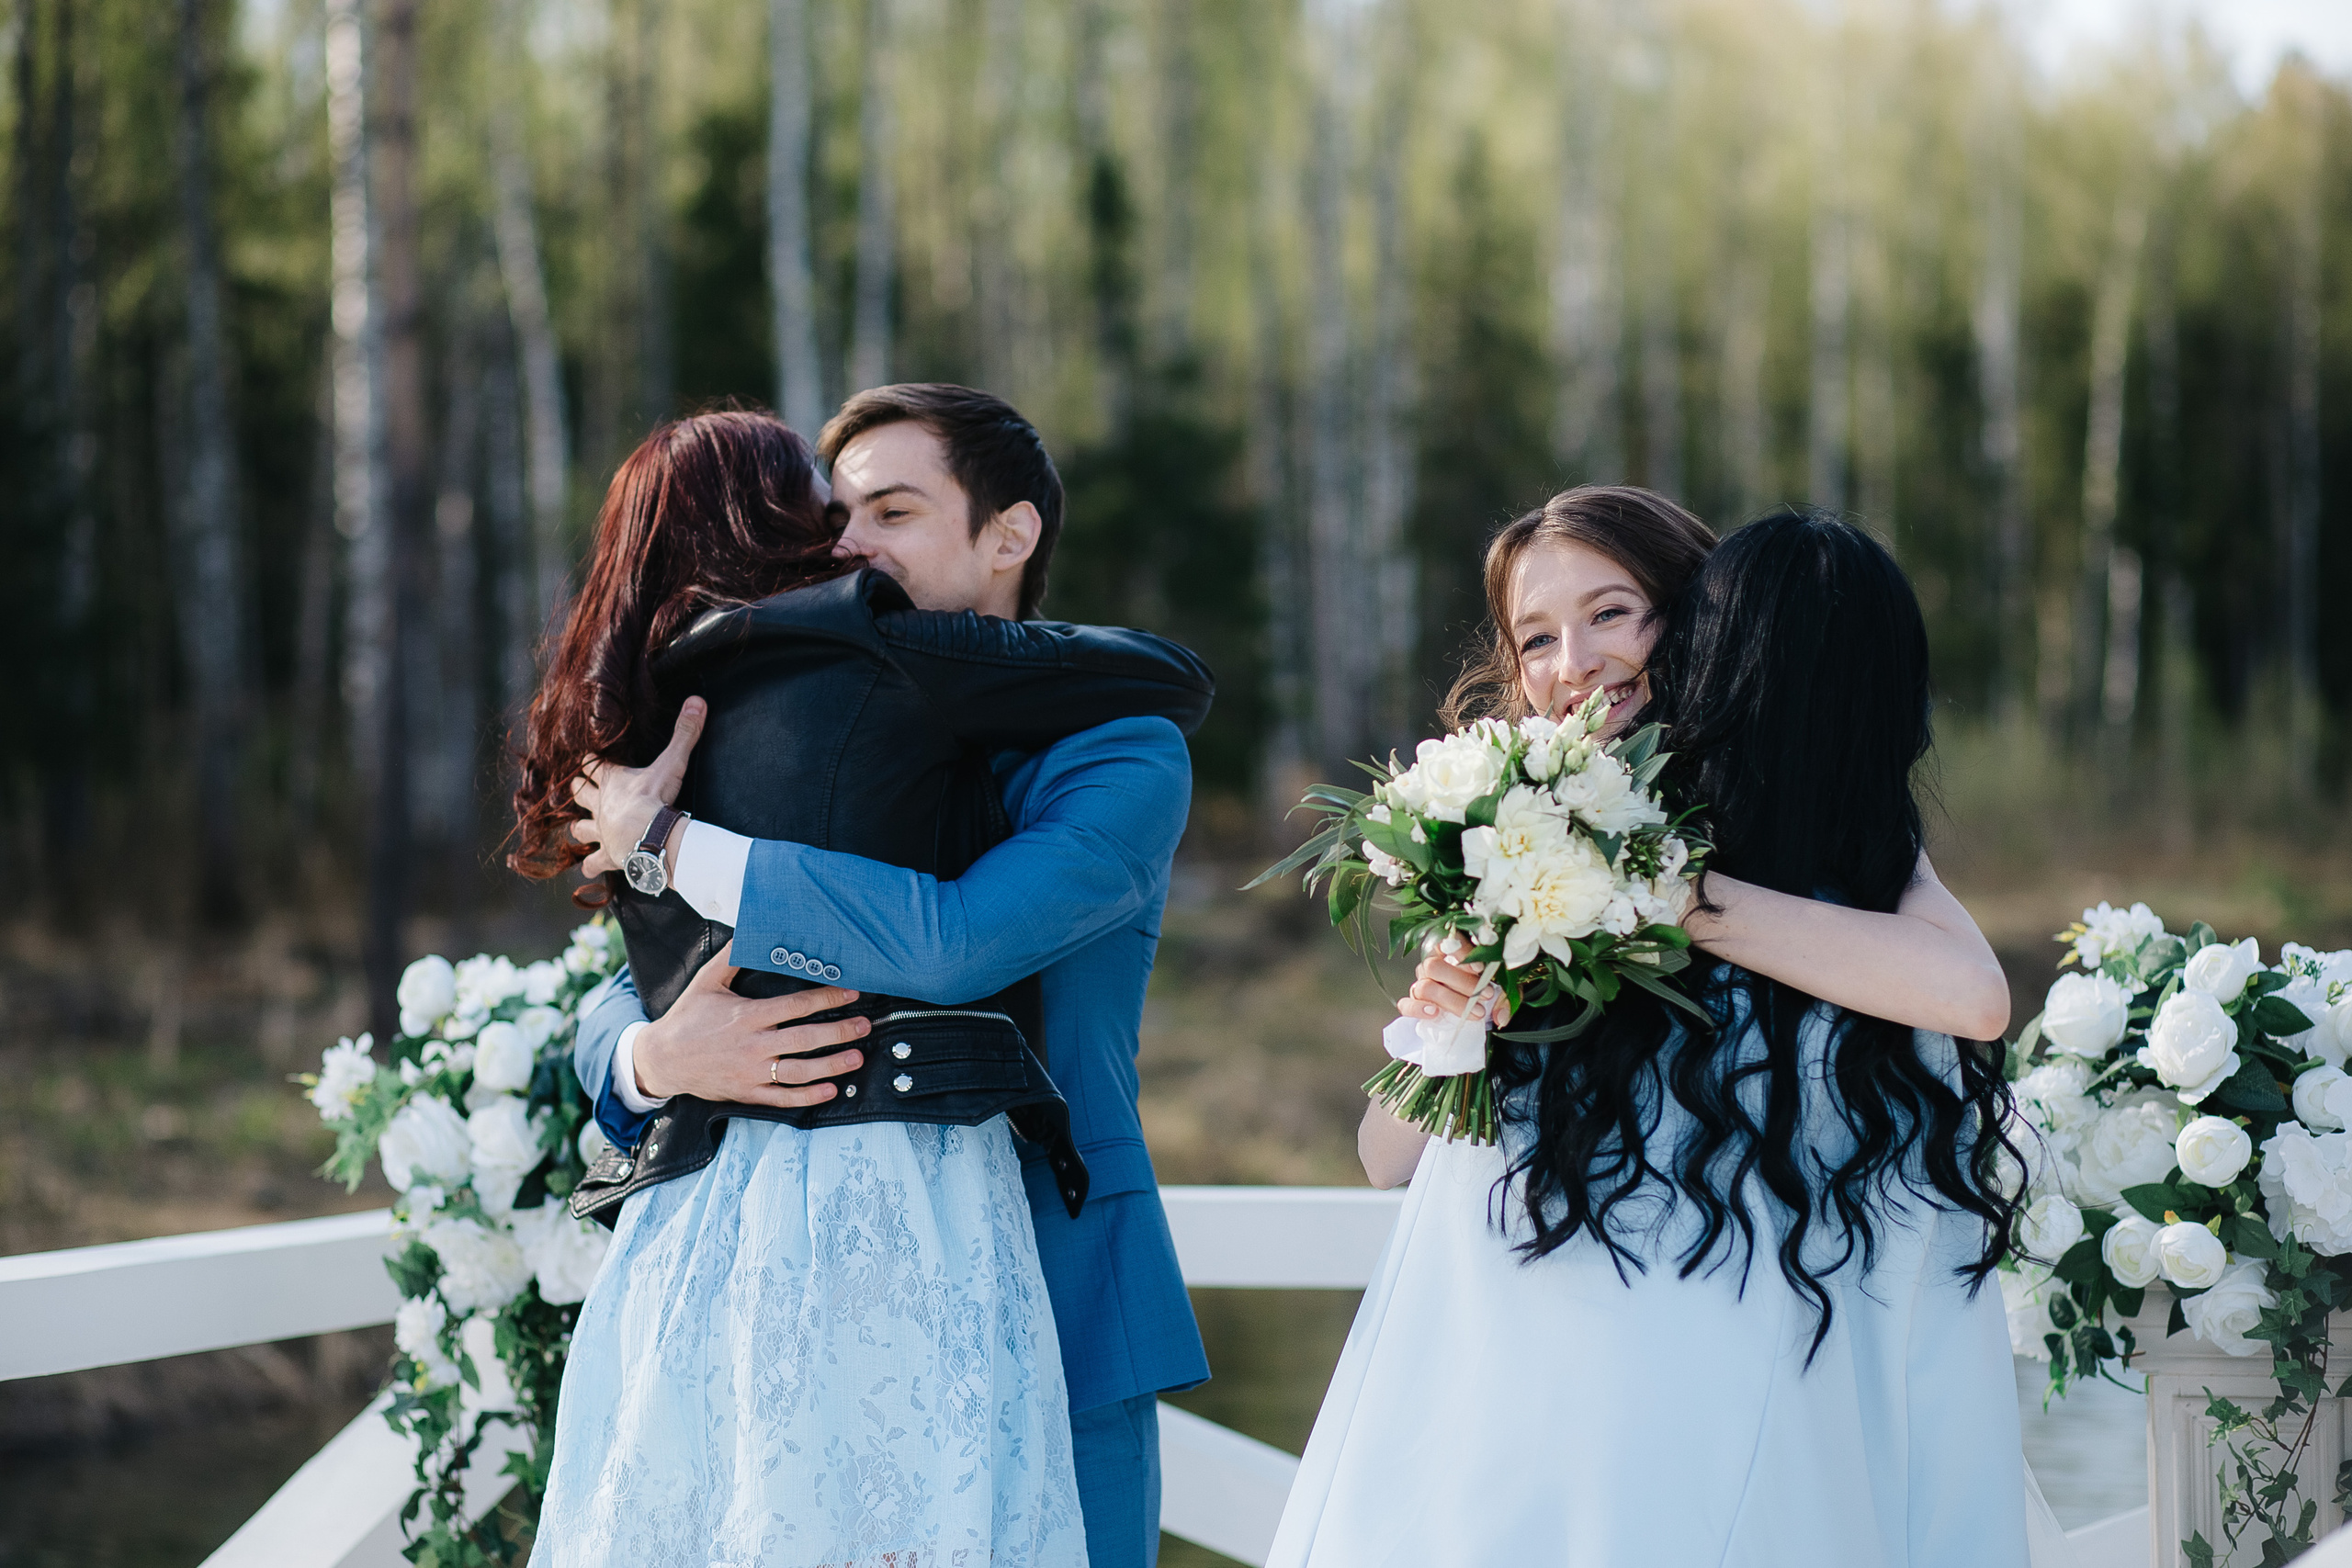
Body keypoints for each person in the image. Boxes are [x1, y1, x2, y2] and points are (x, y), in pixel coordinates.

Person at [1272, 496, 2051, 1567]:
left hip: (1721, 1397)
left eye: (1612, 614)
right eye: (1537, 638)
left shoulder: (1807, 841)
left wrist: (1657, 887)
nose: (1575, 661)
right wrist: (1447, 1022)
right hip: (1516, 1401)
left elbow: (1970, 995)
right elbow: (1382, 1155)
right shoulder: (1514, 853)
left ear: (1696, 624)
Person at [512, 402, 1212, 1567]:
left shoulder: (1121, 746)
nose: (849, 547)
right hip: (796, 1284)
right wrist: (654, 1056)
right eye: (836, 517)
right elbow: (615, 979)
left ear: (1009, 535)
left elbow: (963, 943)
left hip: (1056, 1256)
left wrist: (677, 844)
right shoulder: (783, 717)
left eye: (894, 511)